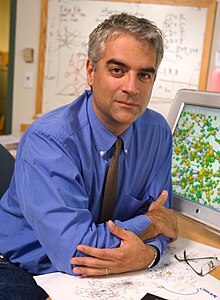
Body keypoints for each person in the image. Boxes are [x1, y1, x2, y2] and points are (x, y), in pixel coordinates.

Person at [0, 12, 178, 295]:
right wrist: (153, 225)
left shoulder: (157, 132)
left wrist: (149, 254)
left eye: (144, 74)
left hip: (110, 267)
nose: (131, 87)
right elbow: (75, 250)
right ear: (91, 71)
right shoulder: (49, 140)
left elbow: (164, 216)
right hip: (26, 265)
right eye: (117, 70)